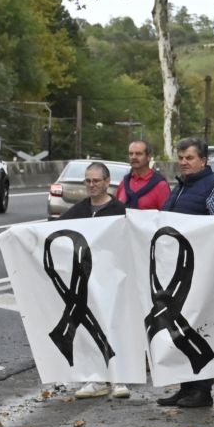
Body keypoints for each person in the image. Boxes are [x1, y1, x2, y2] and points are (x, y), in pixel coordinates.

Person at [160, 138, 214, 410]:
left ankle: (202, 390)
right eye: (181, 157)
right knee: (180, 326)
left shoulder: (213, 186)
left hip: (202, 272)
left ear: (204, 160)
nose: (183, 162)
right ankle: (186, 386)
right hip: (178, 270)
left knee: (200, 327)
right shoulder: (180, 187)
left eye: (189, 158)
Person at [66, 161, 132, 402]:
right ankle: (95, 378)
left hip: (113, 280)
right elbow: (55, 231)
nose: (91, 185)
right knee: (88, 327)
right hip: (86, 281)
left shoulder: (120, 210)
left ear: (107, 182)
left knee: (114, 325)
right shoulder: (79, 210)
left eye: (96, 180)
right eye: (87, 181)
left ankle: (119, 377)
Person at [115, 140, 170, 210]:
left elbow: (165, 217)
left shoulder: (161, 185)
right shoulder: (124, 182)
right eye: (131, 154)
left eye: (138, 154)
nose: (133, 157)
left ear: (149, 157)